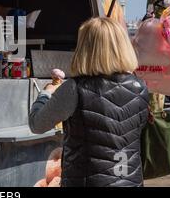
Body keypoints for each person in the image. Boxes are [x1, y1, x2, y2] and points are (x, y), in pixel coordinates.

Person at [29, 17, 150, 187]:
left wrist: (46, 94)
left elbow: (37, 124)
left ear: (86, 49)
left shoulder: (75, 88)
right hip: (130, 181)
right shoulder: (140, 88)